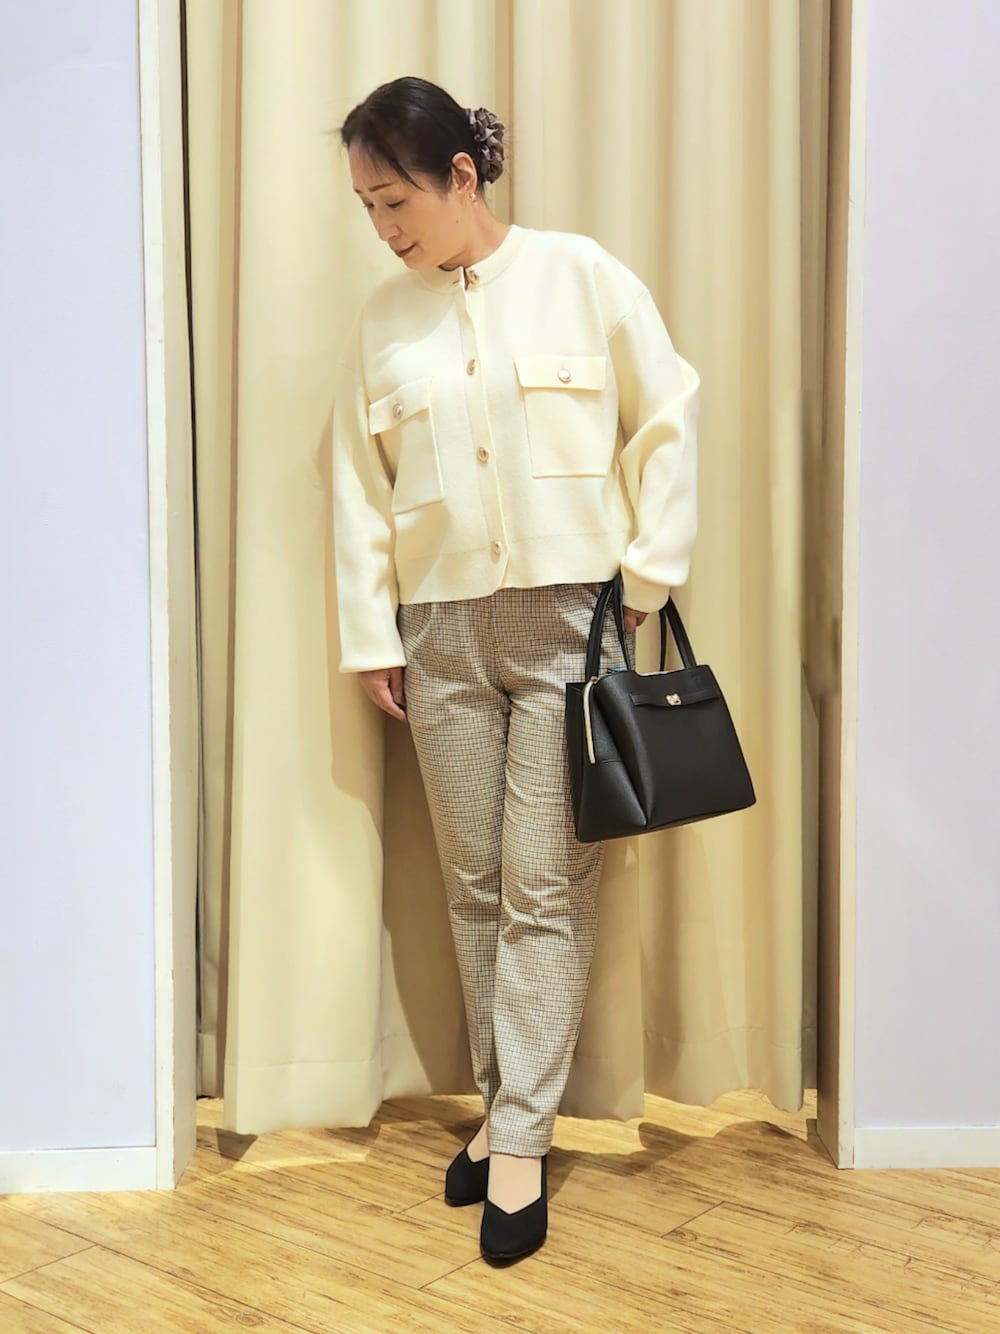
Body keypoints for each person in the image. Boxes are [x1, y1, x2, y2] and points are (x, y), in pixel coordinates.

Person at [331, 76, 698, 1265]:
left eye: (395, 200)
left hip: (568, 629)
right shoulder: (383, 319)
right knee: (475, 886)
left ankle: (521, 1140)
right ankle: (503, 1110)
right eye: (366, 206)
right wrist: (372, 634)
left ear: (462, 176)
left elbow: (667, 414)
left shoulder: (580, 275)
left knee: (546, 886)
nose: (383, 227)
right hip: (437, 634)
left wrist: (645, 578)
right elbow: (359, 485)